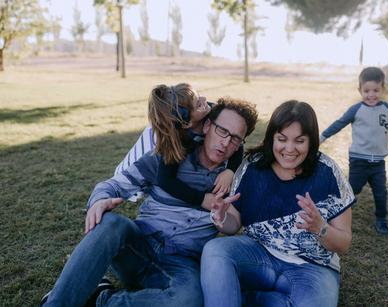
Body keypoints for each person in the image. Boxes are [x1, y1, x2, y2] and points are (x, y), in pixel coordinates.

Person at [41, 97, 258, 307]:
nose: (226, 142)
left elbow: (233, 224)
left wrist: (221, 218)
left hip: (180, 263)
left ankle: (102, 299)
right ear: (208, 125)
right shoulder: (168, 156)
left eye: (235, 138)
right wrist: (99, 200)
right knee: (112, 224)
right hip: (137, 246)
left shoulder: (237, 178)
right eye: (222, 131)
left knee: (190, 299)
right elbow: (112, 186)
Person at [200, 100, 354, 307]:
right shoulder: (253, 166)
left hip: (312, 268)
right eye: (282, 139)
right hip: (258, 256)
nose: (289, 149)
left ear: (311, 141)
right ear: (272, 137)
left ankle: (257, 299)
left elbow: (343, 243)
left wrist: (321, 227)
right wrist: (220, 218)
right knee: (215, 250)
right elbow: (234, 223)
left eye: (299, 141)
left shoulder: (328, 172)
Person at [320, 67, 388, 235]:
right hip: (359, 160)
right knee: (352, 191)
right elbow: (339, 123)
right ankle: (337, 214)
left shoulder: (387, 109)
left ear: (383, 89)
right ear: (360, 90)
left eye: (376, 90)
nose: (371, 95)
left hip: (378, 162)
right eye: (367, 91)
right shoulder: (356, 109)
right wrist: (323, 136)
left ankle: (381, 219)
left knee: (381, 192)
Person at [115, 83, 242, 204]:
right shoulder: (175, 140)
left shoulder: (211, 111)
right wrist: (201, 199)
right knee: (143, 176)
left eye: (199, 96)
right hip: (154, 140)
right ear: (187, 123)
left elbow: (238, 142)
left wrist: (230, 171)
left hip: (181, 130)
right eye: (198, 104)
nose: (205, 99)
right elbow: (166, 180)